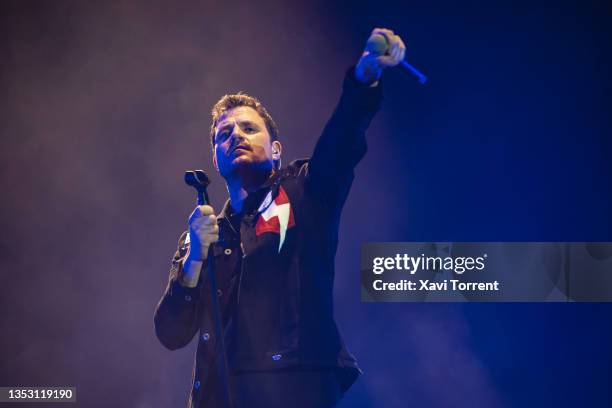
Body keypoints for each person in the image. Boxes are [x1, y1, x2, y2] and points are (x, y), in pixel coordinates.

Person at [154, 28, 407, 408]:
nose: (235, 136)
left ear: (275, 150)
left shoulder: (305, 193)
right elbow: (171, 334)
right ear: (215, 159)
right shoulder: (202, 234)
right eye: (223, 134)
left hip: (293, 389)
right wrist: (191, 264)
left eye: (248, 128)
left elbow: (340, 144)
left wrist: (363, 80)